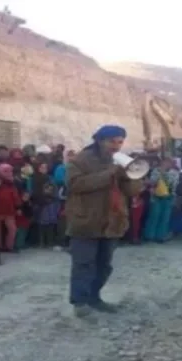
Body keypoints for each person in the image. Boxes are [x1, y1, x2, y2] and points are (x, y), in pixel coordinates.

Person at [65, 124, 142, 317]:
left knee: (104, 265)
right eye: (112, 141)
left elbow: (132, 192)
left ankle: (94, 297)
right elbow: (75, 185)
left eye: (120, 142)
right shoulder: (81, 160)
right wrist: (109, 173)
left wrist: (132, 177)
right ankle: (80, 302)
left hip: (112, 221)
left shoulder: (120, 162)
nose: (116, 146)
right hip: (86, 221)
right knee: (84, 264)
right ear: (99, 140)